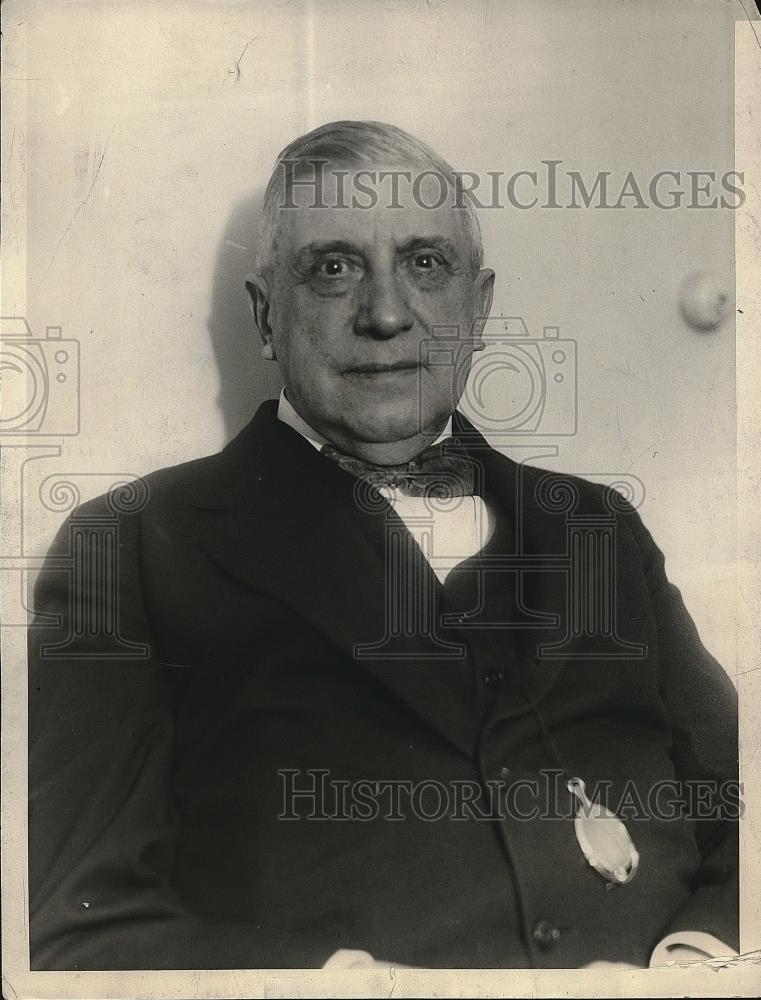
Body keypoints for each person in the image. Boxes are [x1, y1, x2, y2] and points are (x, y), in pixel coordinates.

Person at [28, 120, 738, 971]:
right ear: (265, 315)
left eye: (425, 264)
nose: (387, 314)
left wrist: (703, 963)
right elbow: (79, 933)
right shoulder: (132, 547)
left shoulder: (599, 530)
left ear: (476, 310)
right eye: (333, 268)